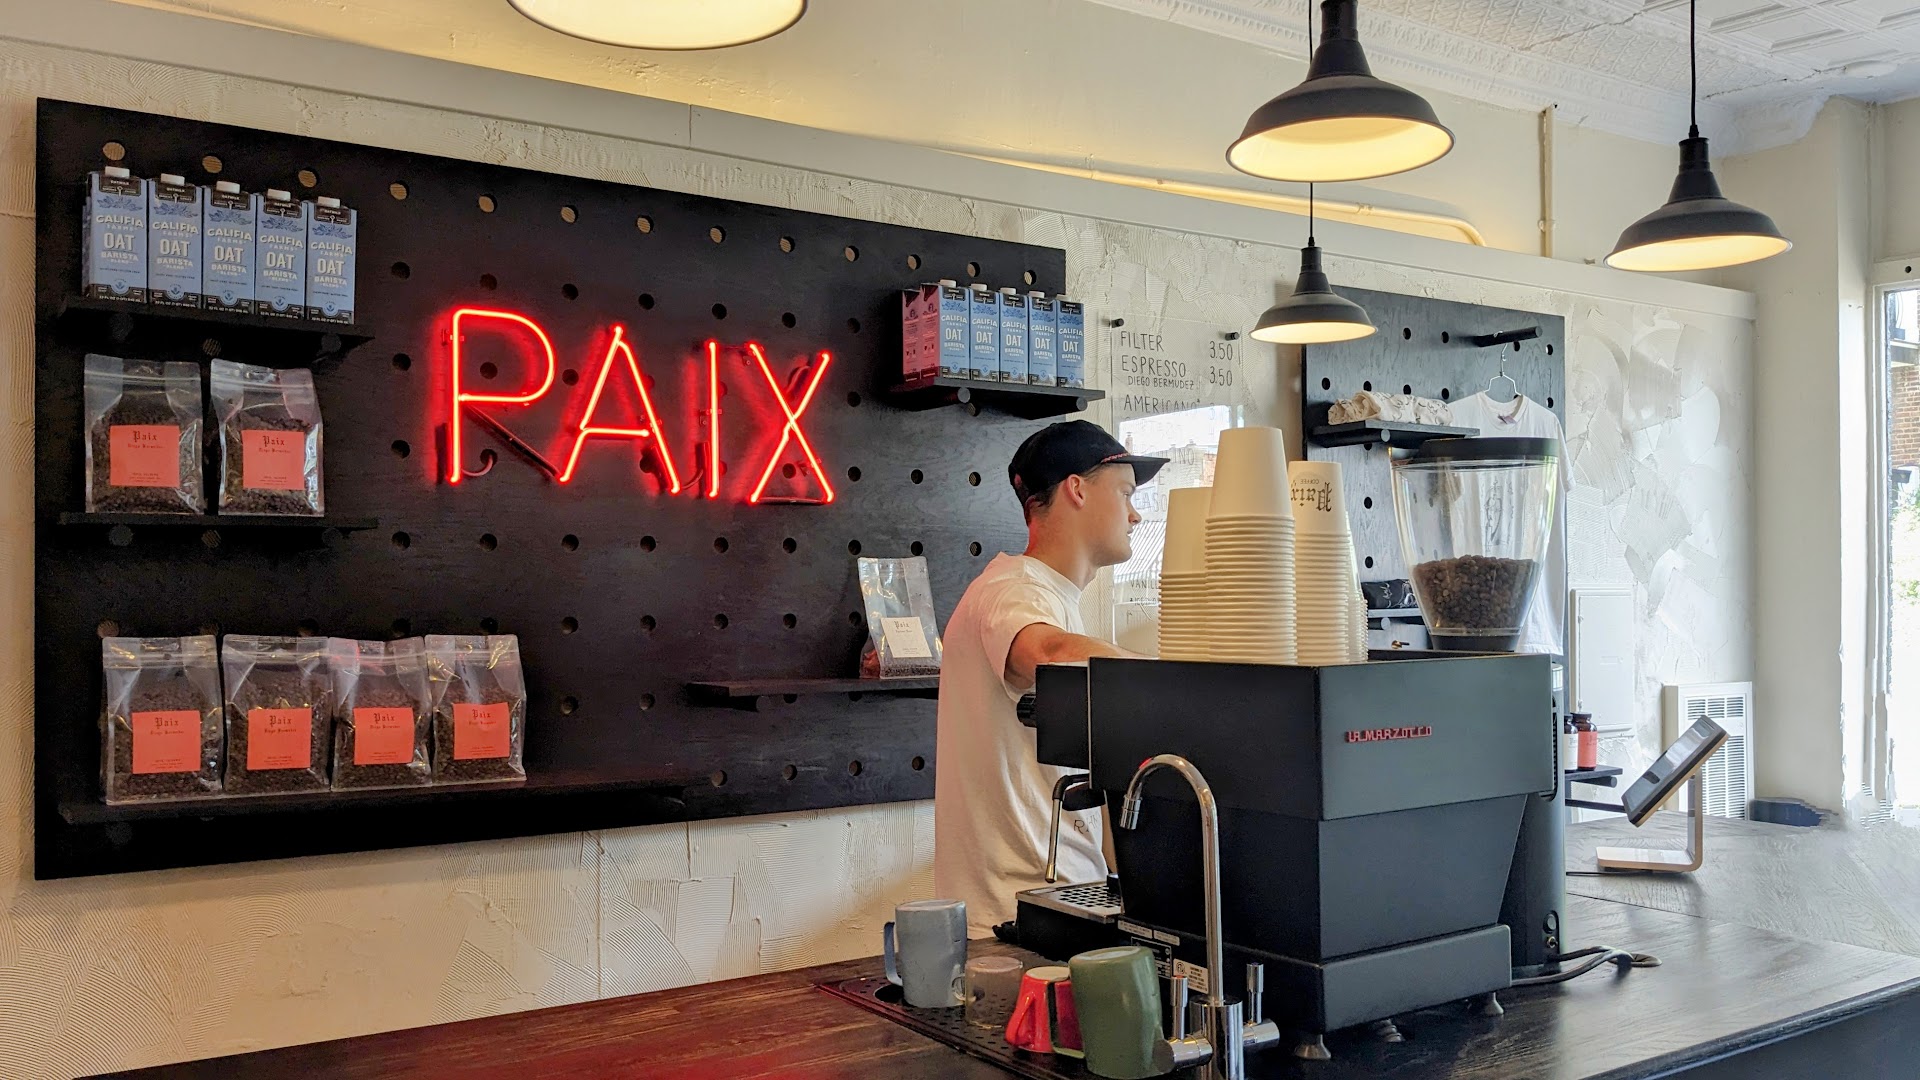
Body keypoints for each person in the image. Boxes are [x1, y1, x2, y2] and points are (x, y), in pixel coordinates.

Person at [933, 419, 1167, 936]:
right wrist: (1178, 683)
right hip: (1013, 920)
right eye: (1126, 493)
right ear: (1077, 489)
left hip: (1049, 902)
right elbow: (1044, 652)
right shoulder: (1014, 589)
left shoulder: (1048, 597)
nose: (1135, 514)